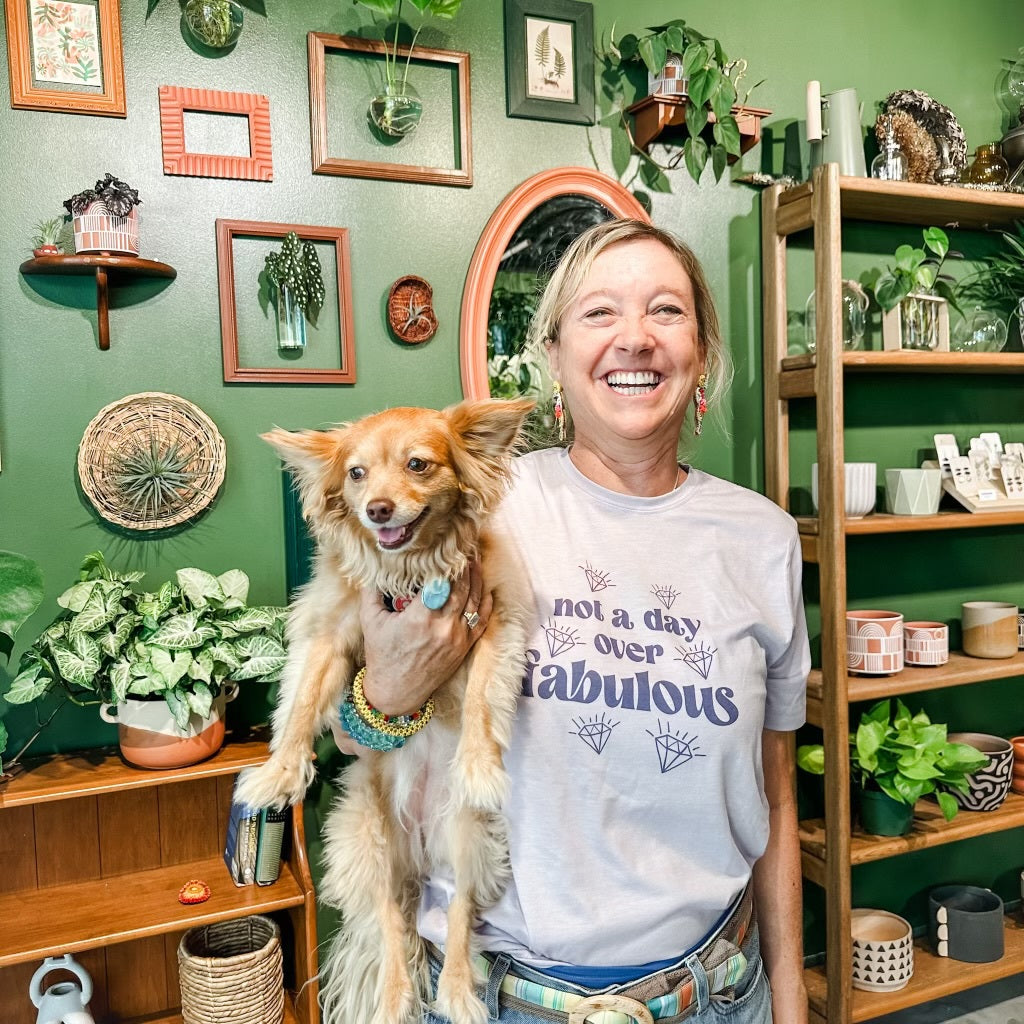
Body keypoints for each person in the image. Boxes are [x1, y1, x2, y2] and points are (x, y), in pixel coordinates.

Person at [336, 218, 811, 1024]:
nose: (636, 338)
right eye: (600, 314)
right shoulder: (476, 512)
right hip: (500, 999)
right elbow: (356, 737)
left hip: (721, 995)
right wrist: (384, 694)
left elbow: (776, 794)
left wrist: (793, 996)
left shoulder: (763, 537)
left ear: (702, 352)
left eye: (667, 311)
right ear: (554, 355)